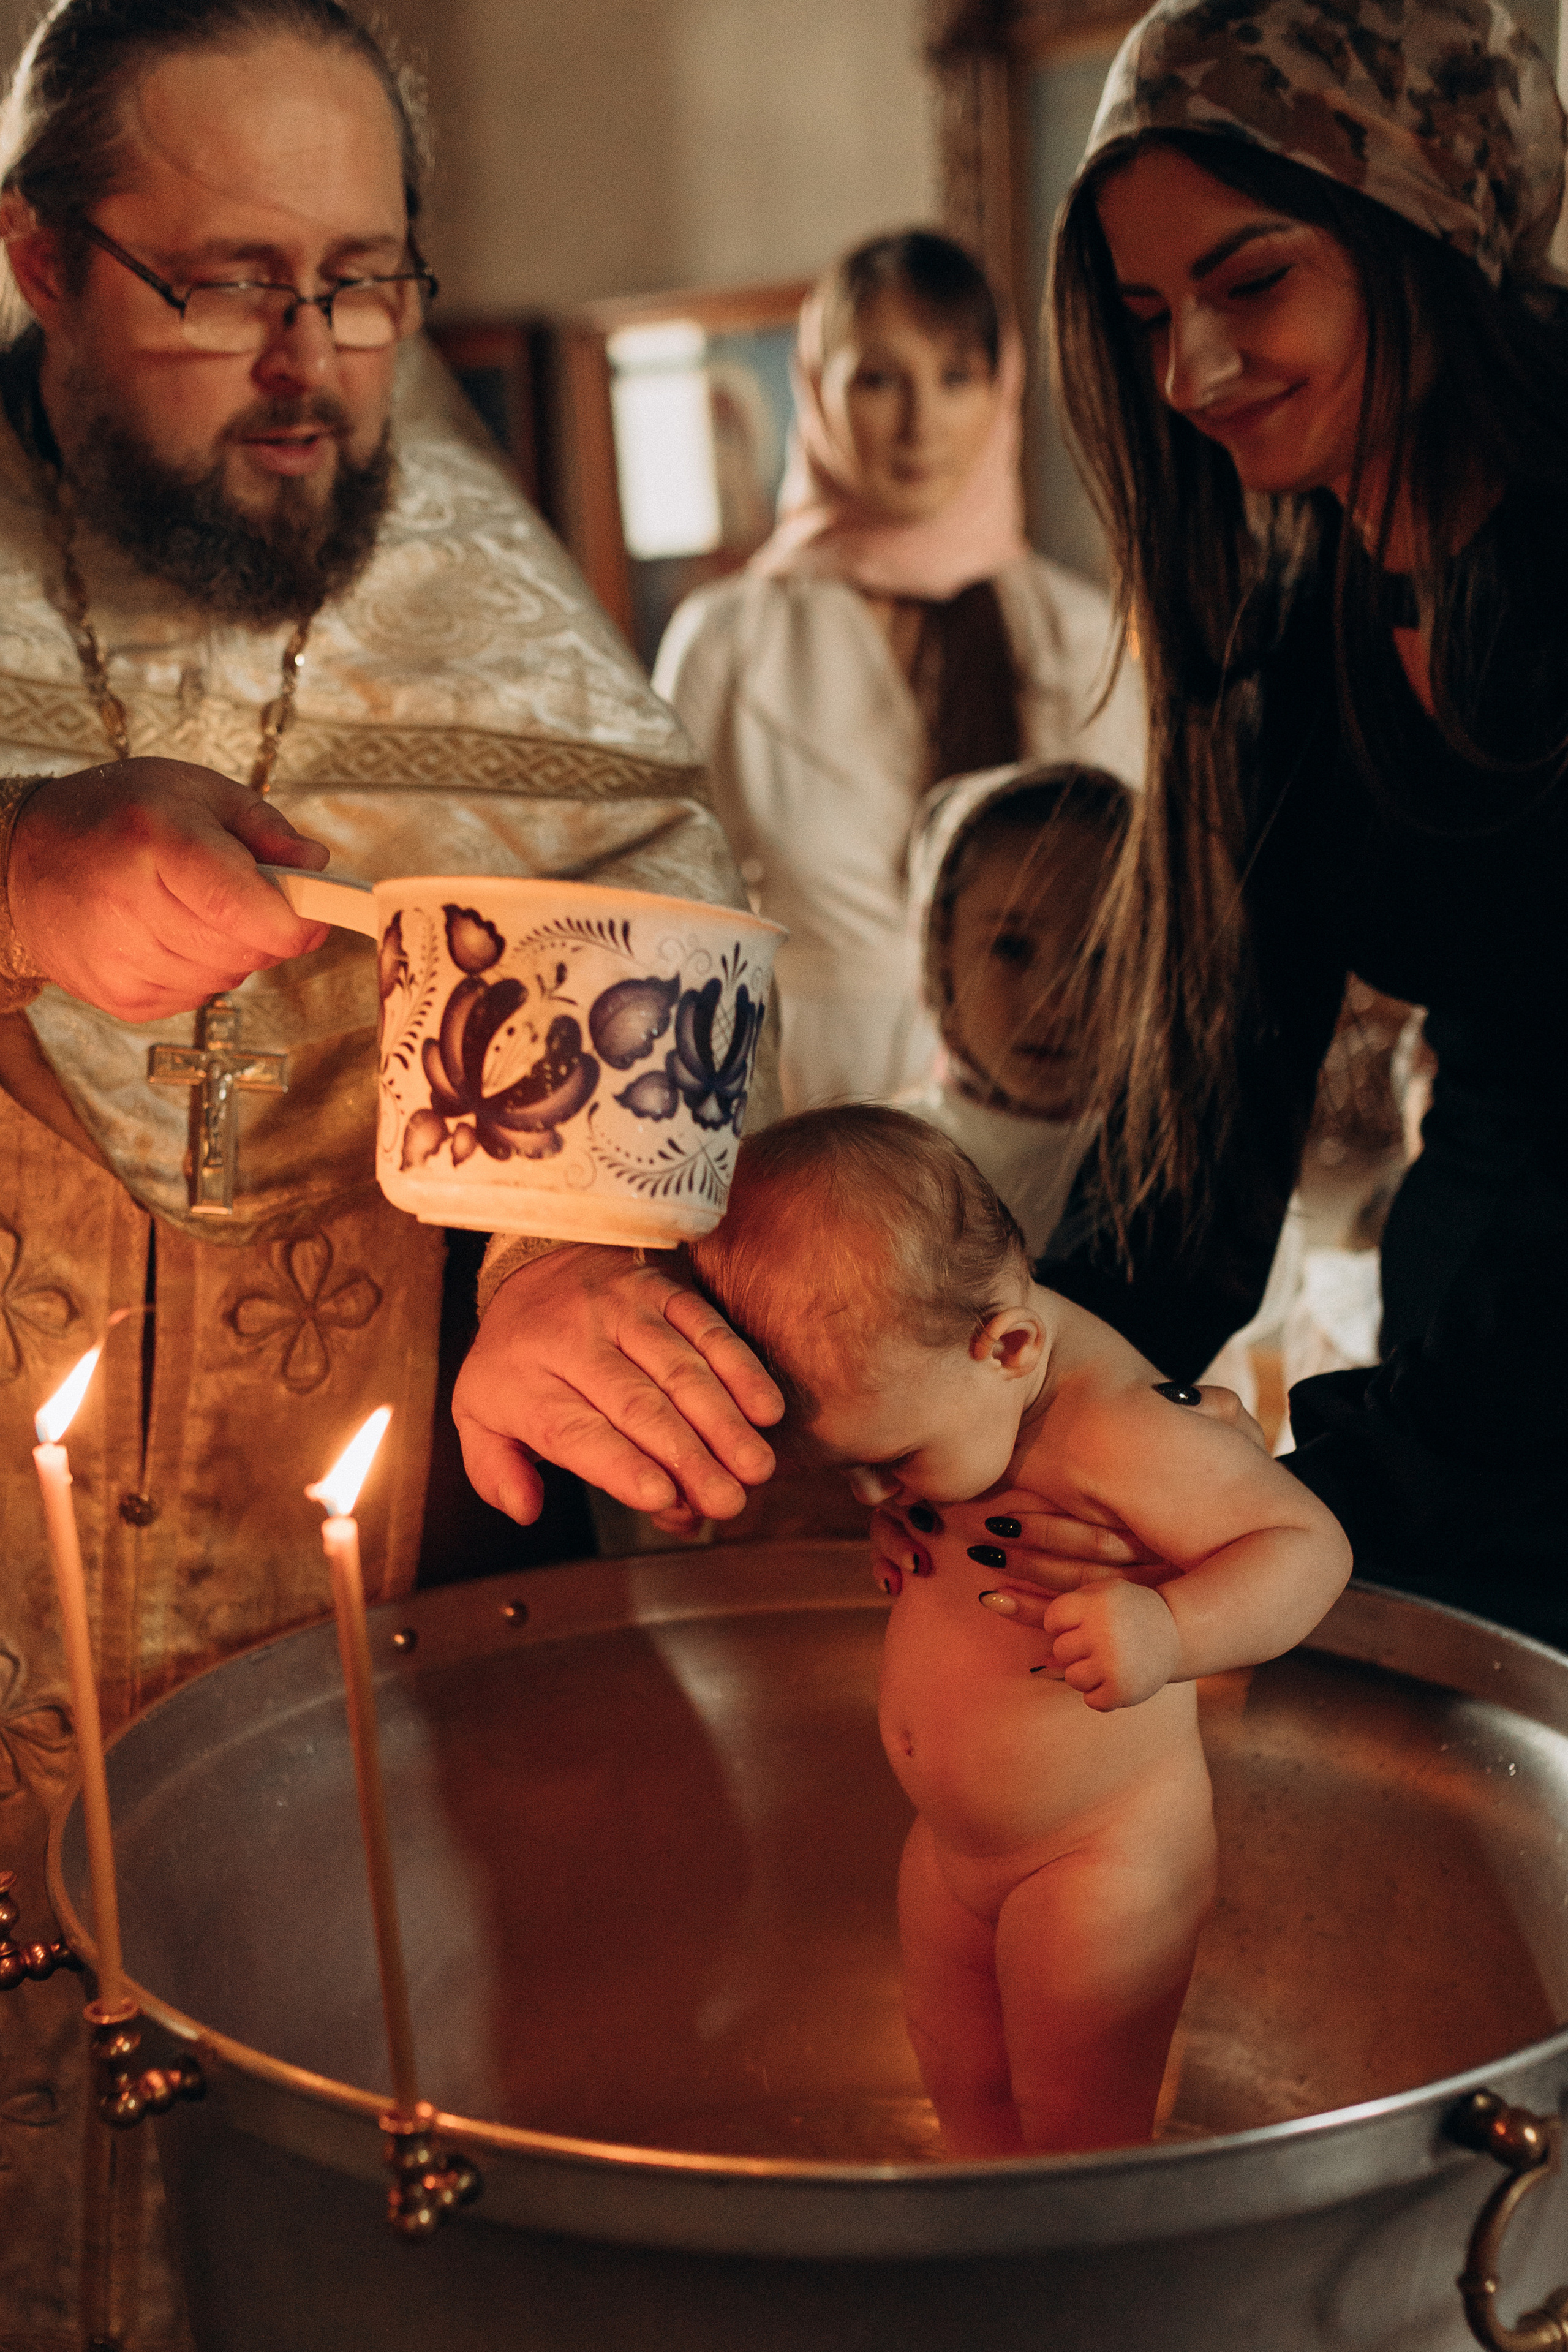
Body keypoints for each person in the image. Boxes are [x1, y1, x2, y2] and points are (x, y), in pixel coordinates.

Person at [0, 2, 771, 2336]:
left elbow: (644, 949)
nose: (308, 361)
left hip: (315, 1707)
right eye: (223, 279)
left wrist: (550, 1256)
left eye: (362, 279)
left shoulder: (492, 604)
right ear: (39, 260)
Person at [870, 0, 1568, 1652]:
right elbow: (1200, 1156)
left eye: (1251, 283)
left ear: (1431, 220)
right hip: (1472, 1402)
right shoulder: (1285, 654)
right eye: (1143, 313)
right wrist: (985, 1402)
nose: (1187, 372)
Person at [687, 1107, 1350, 2154]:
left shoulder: (1123, 1433)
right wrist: (905, 1522)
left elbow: (1308, 1548)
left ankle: (1083, 2295)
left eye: (892, 1460)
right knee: (960, 2085)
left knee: (1081, 2130)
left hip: (1099, 1860)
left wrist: (1169, 1629)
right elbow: (936, 1509)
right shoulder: (956, 1382)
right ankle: (992, 2266)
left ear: (1009, 1344)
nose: (870, 1488)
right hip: (953, 1846)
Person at [650, 229, 1144, 1114]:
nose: (921, 422)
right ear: (817, 391)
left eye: (957, 376)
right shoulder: (729, 637)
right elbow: (658, 923)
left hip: (1048, 1116)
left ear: (1004, 389)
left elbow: (1141, 907)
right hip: (808, 1113)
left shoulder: (1079, 633)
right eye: (880, 379)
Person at [899, 759, 1132, 1257]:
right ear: (940, 951)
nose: (1059, 1001)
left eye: (1102, 955)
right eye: (1011, 947)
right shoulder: (887, 1170)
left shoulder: (1178, 1173)